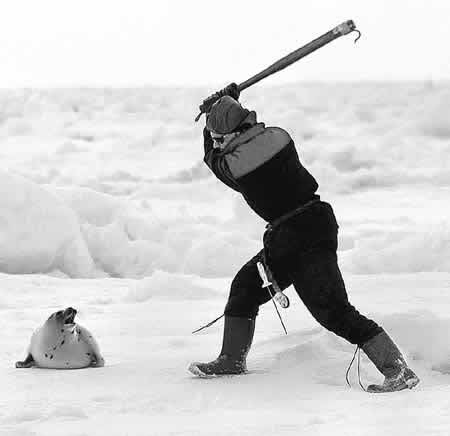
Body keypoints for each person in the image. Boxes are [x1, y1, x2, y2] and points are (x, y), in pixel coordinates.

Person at [188, 84, 420, 393]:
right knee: (245, 287)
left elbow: (212, 159)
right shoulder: (279, 136)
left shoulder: (236, 164)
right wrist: (228, 105)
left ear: (235, 134)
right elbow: (240, 136)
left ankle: (397, 369)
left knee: (333, 311)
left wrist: (209, 123)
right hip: (302, 227)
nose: (217, 143)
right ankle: (231, 360)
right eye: (216, 138)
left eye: (220, 138)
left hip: (301, 235)